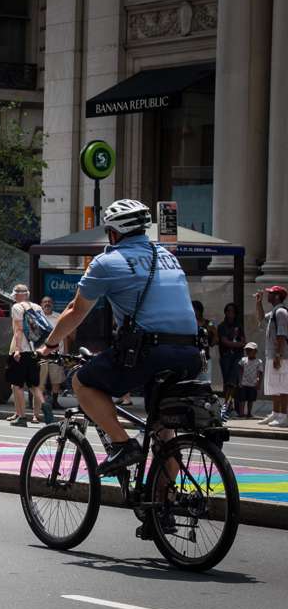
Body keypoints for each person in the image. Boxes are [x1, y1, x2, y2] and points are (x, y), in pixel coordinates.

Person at [39, 199, 200, 475]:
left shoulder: (108, 262)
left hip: (151, 351)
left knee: (82, 382)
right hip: (191, 354)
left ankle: (123, 444)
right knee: (163, 431)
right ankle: (165, 509)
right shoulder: (168, 256)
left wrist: (50, 344)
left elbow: (76, 311)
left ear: (113, 233)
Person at [6, 284, 44, 427]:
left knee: (17, 385)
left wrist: (16, 349)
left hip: (21, 349)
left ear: (19, 295)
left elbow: (18, 330)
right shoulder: (37, 307)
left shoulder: (16, 308)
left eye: (15, 294)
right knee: (34, 384)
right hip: (35, 349)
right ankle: (46, 410)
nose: (14, 297)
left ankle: (22, 417)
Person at [255, 286, 288, 426]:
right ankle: (275, 413)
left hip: (281, 356)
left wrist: (278, 355)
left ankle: (284, 415)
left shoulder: (281, 312)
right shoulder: (274, 312)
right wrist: (258, 303)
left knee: (283, 386)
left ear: (277, 296)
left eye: (270, 293)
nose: (268, 294)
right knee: (274, 386)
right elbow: (261, 320)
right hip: (273, 355)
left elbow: (281, 335)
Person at [37, 296, 68, 408]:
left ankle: (55, 401)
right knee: (41, 378)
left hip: (56, 353)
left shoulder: (59, 317)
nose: (47, 304)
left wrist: (65, 352)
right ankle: (42, 401)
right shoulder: (37, 317)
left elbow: (64, 335)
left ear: (53, 304)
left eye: (49, 302)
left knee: (56, 378)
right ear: (41, 304)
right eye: (45, 302)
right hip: (41, 353)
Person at [216, 302, 245, 417]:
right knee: (227, 382)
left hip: (237, 357)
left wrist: (235, 344)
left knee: (233, 382)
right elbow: (224, 342)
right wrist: (236, 344)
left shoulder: (239, 326)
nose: (230, 313)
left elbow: (243, 342)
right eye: (228, 311)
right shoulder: (222, 326)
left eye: (232, 311)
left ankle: (229, 406)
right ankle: (227, 406)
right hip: (226, 357)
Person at [192, 300, 218, 385]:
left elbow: (215, 336)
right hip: (192, 356)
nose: (193, 312)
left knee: (205, 381)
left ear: (200, 311)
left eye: (195, 310)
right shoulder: (189, 323)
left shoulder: (208, 323)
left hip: (204, 357)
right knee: (193, 381)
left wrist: (213, 339)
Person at [237, 342, 263, 419]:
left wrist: (258, 383)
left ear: (255, 351)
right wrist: (240, 380)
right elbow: (240, 370)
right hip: (244, 383)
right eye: (247, 350)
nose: (248, 352)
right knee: (242, 399)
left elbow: (260, 373)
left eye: (250, 350)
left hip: (253, 384)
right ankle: (241, 413)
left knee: (250, 399)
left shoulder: (259, 362)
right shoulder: (243, 360)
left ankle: (249, 413)